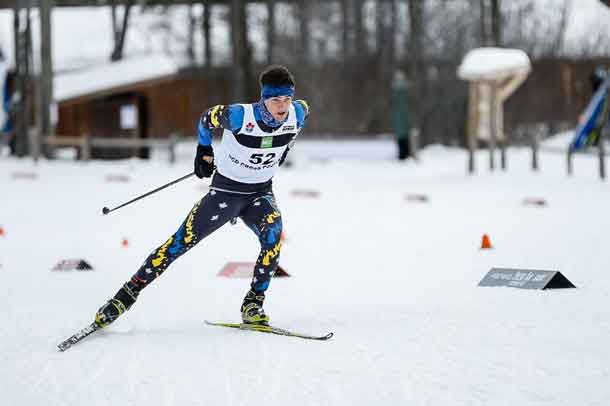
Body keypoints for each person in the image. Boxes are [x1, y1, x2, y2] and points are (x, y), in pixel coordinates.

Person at [94, 65, 309, 327]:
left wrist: (281, 152)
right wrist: (203, 151)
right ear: (264, 98)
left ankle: (253, 304)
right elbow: (207, 119)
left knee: (273, 238)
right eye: (276, 99)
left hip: (260, 193)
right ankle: (124, 297)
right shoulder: (240, 116)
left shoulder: (299, 112)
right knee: (178, 244)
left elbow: (292, 130)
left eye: (287, 99)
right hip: (226, 193)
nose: (283, 106)